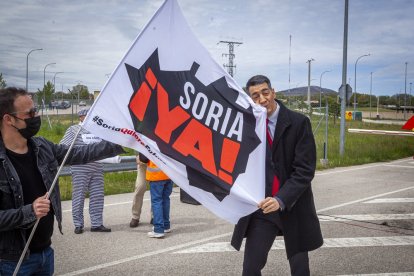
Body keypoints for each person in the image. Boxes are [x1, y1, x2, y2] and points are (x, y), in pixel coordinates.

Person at [0, 87, 124, 275]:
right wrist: (28, 211)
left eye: (36, 111)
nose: (36, 117)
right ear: (8, 119)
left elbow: (80, 153)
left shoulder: (42, 146)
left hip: (45, 253)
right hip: (11, 262)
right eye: (30, 113)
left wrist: (122, 139)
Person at [231, 75, 323, 276]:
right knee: (250, 267)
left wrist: (281, 199)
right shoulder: (248, 126)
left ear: (273, 92)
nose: (262, 99)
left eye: (265, 93)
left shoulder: (299, 123)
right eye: (255, 96)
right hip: (263, 208)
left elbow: (304, 171)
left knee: (299, 268)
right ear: (250, 100)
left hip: (293, 204)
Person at [60, 108, 111, 234]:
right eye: (87, 115)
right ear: (81, 117)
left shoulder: (99, 130)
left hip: (97, 169)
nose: (90, 117)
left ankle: (96, 224)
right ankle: (78, 224)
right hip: (80, 169)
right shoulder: (73, 130)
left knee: (97, 197)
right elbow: (62, 146)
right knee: (79, 197)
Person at [139, 154, 173, 238]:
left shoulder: (150, 141)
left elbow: (143, 159)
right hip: (169, 174)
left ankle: (158, 229)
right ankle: (166, 226)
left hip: (156, 176)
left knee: (157, 201)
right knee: (165, 200)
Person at [129, 153, 148, 228]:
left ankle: (155, 216)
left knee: (156, 191)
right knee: (140, 187)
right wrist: (137, 154)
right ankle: (135, 217)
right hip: (143, 163)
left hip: (156, 163)